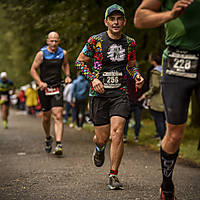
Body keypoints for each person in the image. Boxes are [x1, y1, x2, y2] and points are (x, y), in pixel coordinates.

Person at [134, 1, 200, 199]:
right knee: (174, 134)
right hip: (177, 62)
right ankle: (167, 184)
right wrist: (170, 14)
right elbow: (140, 18)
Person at [75, 4, 144, 190]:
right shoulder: (95, 41)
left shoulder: (130, 43)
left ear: (124, 22)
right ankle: (99, 149)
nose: (115, 22)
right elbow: (80, 61)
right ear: (106, 21)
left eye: (119, 19)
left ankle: (113, 175)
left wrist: (136, 75)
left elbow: (130, 65)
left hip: (119, 93)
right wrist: (92, 79)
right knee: (102, 138)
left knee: (117, 133)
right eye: (112, 19)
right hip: (99, 95)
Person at [30, 31, 71, 155]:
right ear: (47, 41)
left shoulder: (63, 53)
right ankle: (48, 137)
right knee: (46, 117)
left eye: (56, 41)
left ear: (59, 41)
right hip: (44, 88)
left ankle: (59, 144)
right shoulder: (41, 54)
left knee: (58, 115)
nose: (53, 43)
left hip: (57, 86)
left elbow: (65, 64)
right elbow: (32, 70)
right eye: (51, 41)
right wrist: (39, 82)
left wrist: (68, 75)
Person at [139, 53, 166, 141]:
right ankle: (167, 141)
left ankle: (163, 141)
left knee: (159, 122)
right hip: (166, 100)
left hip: (157, 101)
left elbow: (155, 86)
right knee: (165, 121)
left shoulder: (155, 72)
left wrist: (146, 94)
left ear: (152, 61)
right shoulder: (165, 69)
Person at [123, 72, 144, 143]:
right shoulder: (140, 77)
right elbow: (143, 88)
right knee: (137, 120)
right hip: (137, 100)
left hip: (130, 100)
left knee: (127, 120)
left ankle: (124, 136)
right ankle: (136, 136)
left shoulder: (126, 76)